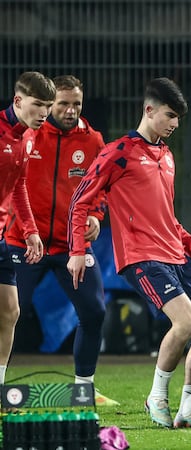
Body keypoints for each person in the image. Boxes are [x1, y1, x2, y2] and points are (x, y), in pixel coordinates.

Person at [67, 77, 191, 428]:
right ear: (149, 109)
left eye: (178, 119)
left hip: (175, 254)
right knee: (186, 321)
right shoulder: (118, 152)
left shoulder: (166, 156)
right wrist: (77, 250)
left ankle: (188, 410)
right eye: (169, 115)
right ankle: (156, 398)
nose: (174, 124)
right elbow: (79, 201)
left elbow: (166, 215)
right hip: (142, 256)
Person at [5, 75, 118, 407]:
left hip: (73, 247)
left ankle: (85, 388)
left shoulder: (93, 141)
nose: (70, 111)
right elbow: (13, 185)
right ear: (49, 104)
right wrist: (26, 230)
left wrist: (97, 216)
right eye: (63, 104)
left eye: (76, 104)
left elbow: (102, 188)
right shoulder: (28, 132)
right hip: (23, 243)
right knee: (7, 314)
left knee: (94, 311)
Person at [0, 71, 51, 388]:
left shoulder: (29, 136)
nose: (44, 113)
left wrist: (30, 230)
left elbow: (18, 184)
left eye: (48, 105)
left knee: (10, 310)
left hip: (2, 236)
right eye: (38, 105)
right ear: (18, 101)